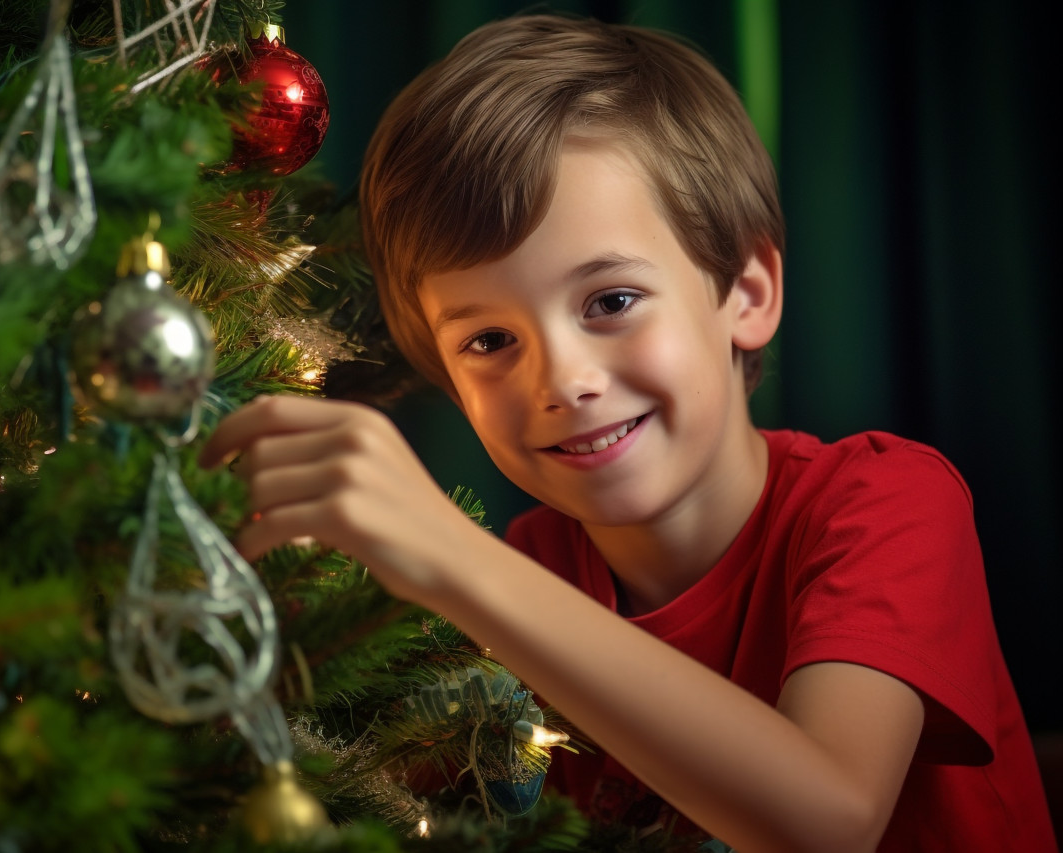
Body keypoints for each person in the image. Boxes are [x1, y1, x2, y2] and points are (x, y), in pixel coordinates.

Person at [199, 13, 1056, 852]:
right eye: (489, 341)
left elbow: (829, 821)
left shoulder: (886, 502)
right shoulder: (526, 583)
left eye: (610, 301)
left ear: (747, 292)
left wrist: (454, 559)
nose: (561, 381)